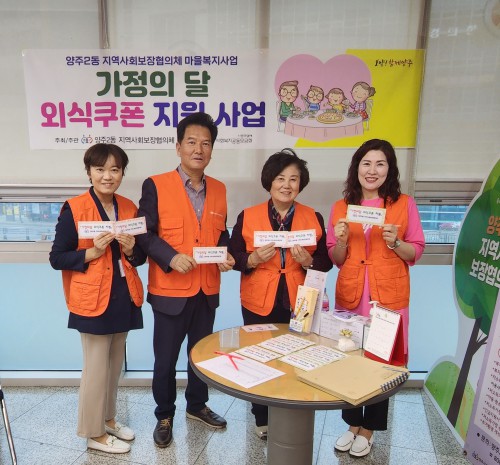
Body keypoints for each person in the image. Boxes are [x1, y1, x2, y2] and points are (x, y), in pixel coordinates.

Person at [136, 112, 235, 448]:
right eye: (191, 142)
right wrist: (170, 257)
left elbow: (220, 233)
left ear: (212, 150)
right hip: (170, 291)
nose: (198, 149)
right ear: (178, 147)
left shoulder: (219, 188)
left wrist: (225, 253)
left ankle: (197, 405)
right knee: (165, 360)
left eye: (205, 144)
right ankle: (164, 414)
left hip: (207, 289)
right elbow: (144, 233)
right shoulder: (156, 184)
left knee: (201, 354)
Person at [326, 139, 425, 457]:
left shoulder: (404, 204)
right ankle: (352, 424)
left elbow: (416, 251)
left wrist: (396, 242)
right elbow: (336, 258)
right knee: (350, 358)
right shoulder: (341, 207)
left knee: (382, 364)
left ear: (389, 169)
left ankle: (369, 429)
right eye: (366, 163)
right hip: (351, 294)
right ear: (356, 168)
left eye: (380, 164)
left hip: (388, 297)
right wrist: (341, 241)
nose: (372, 170)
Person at [229, 148, 332, 439]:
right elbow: (234, 256)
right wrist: (252, 259)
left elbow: (326, 261)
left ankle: (294, 410)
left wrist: (308, 261)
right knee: (259, 357)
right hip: (259, 298)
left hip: (301, 299)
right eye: (280, 178)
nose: (287, 185)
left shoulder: (313, 216)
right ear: (269, 182)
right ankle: (262, 417)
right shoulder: (248, 215)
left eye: (293, 179)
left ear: (301, 183)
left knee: (298, 356)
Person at [49, 143, 146, 454]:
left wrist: (131, 249)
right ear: (89, 172)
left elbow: (140, 257)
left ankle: (108, 419)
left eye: (115, 169)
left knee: (114, 365)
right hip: (92, 298)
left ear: (122, 173)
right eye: (100, 169)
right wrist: (92, 252)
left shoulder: (128, 207)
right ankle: (93, 433)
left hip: (123, 294)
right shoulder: (75, 209)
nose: (107, 176)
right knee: (95, 369)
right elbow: (57, 258)